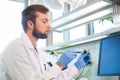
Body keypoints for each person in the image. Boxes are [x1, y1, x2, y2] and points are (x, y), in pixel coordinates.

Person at [0, 4, 91, 80]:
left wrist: (76, 66)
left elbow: (50, 78)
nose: (49, 26)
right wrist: (59, 64)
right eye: (44, 22)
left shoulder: (38, 52)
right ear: (30, 24)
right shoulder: (16, 48)